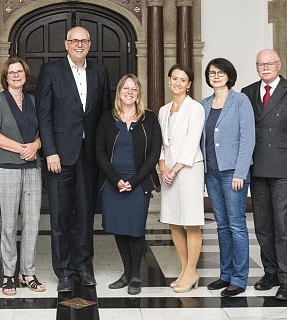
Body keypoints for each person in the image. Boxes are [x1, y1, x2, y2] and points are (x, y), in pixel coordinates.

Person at [36, 26, 111, 293]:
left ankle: (83, 267)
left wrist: (103, 155)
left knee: (85, 215)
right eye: (74, 41)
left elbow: (104, 117)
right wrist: (50, 151)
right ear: (66, 44)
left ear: (89, 45)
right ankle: (64, 272)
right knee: (60, 217)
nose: (79, 45)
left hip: (89, 156)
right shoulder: (51, 71)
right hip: (60, 155)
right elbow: (44, 114)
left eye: (84, 41)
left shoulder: (100, 72)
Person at [241, 49, 287, 301]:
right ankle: (269, 272)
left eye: (270, 63)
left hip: (284, 168)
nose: (266, 67)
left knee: (284, 225)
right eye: (261, 64)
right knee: (263, 225)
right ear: (256, 67)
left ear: (279, 65)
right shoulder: (247, 92)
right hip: (257, 168)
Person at [96, 74, 162, 295]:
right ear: (119, 92)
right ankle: (126, 273)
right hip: (113, 183)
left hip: (139, 183)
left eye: (134, 89)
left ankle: (135, 275)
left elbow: (154, 153)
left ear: (138, 93)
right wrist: (116, 180)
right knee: (119, 229)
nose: (130, 92)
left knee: (135, 230)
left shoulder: (149, 119)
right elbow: (100, 152)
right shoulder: (107, 118)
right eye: (126, 88)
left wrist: (133, 181)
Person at [0, 58, 45, 296]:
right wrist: (22, 148)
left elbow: (41, 133)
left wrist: (37, 145)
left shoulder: (32, 101)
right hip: (7, 166)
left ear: (25, 75)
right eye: (12, 72)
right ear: (5, 77)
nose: (16, 75)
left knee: (32, 223)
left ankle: (27, 272)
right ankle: (9, 273)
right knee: (9, 224)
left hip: (32, 167)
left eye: (20, 71)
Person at [200, 58, 255, 297]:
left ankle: (239, 278)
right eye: (212, 73)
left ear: (229, 75)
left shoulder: (240, 100)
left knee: (236, 225)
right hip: (211, 173)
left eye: (220, 72)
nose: (216, 76)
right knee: (221, 226)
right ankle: (225, 274)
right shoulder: (203, 104)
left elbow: (248, 139)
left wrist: (241, 172)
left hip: (233, 174)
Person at [157, 64, 205, 293]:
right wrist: (163, 166)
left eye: (182, 80)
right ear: (169, 81)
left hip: (188, 170)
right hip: (169, 172)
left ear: (189, 84)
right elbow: (162, 144)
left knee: (191, 221)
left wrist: (174, 170)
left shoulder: (195, 109)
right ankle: (186, 271)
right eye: (174, 78)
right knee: (174, 221)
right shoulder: (163, 110)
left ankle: (191, 270)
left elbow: (191, 143)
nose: (177, 83)